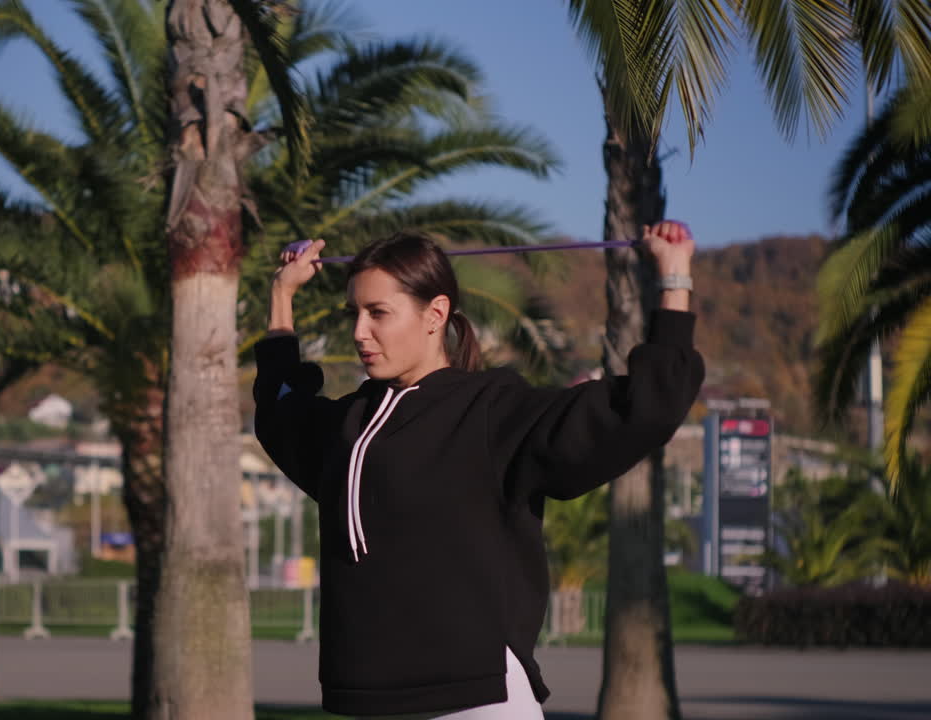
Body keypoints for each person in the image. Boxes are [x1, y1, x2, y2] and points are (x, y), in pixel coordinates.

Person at [252, 224, 705, 719]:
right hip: (367, 701)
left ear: (435, 314)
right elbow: (280, 410)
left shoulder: (492, 412)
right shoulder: (349, 426)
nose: (360, 332)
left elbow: (643, 407)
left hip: (476, 700)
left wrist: (674, 278)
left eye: (378, 313)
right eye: (354, 314)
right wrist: (281, 295)